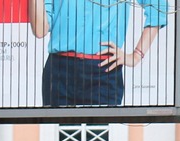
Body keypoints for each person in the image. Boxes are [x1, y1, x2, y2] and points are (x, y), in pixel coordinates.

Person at [29, 0, 168, 107]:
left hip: (103, 70)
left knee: (101, 135)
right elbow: (40, 29)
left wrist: (137, 55)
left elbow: (159, 6)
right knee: (59, 132)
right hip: (59, 70)